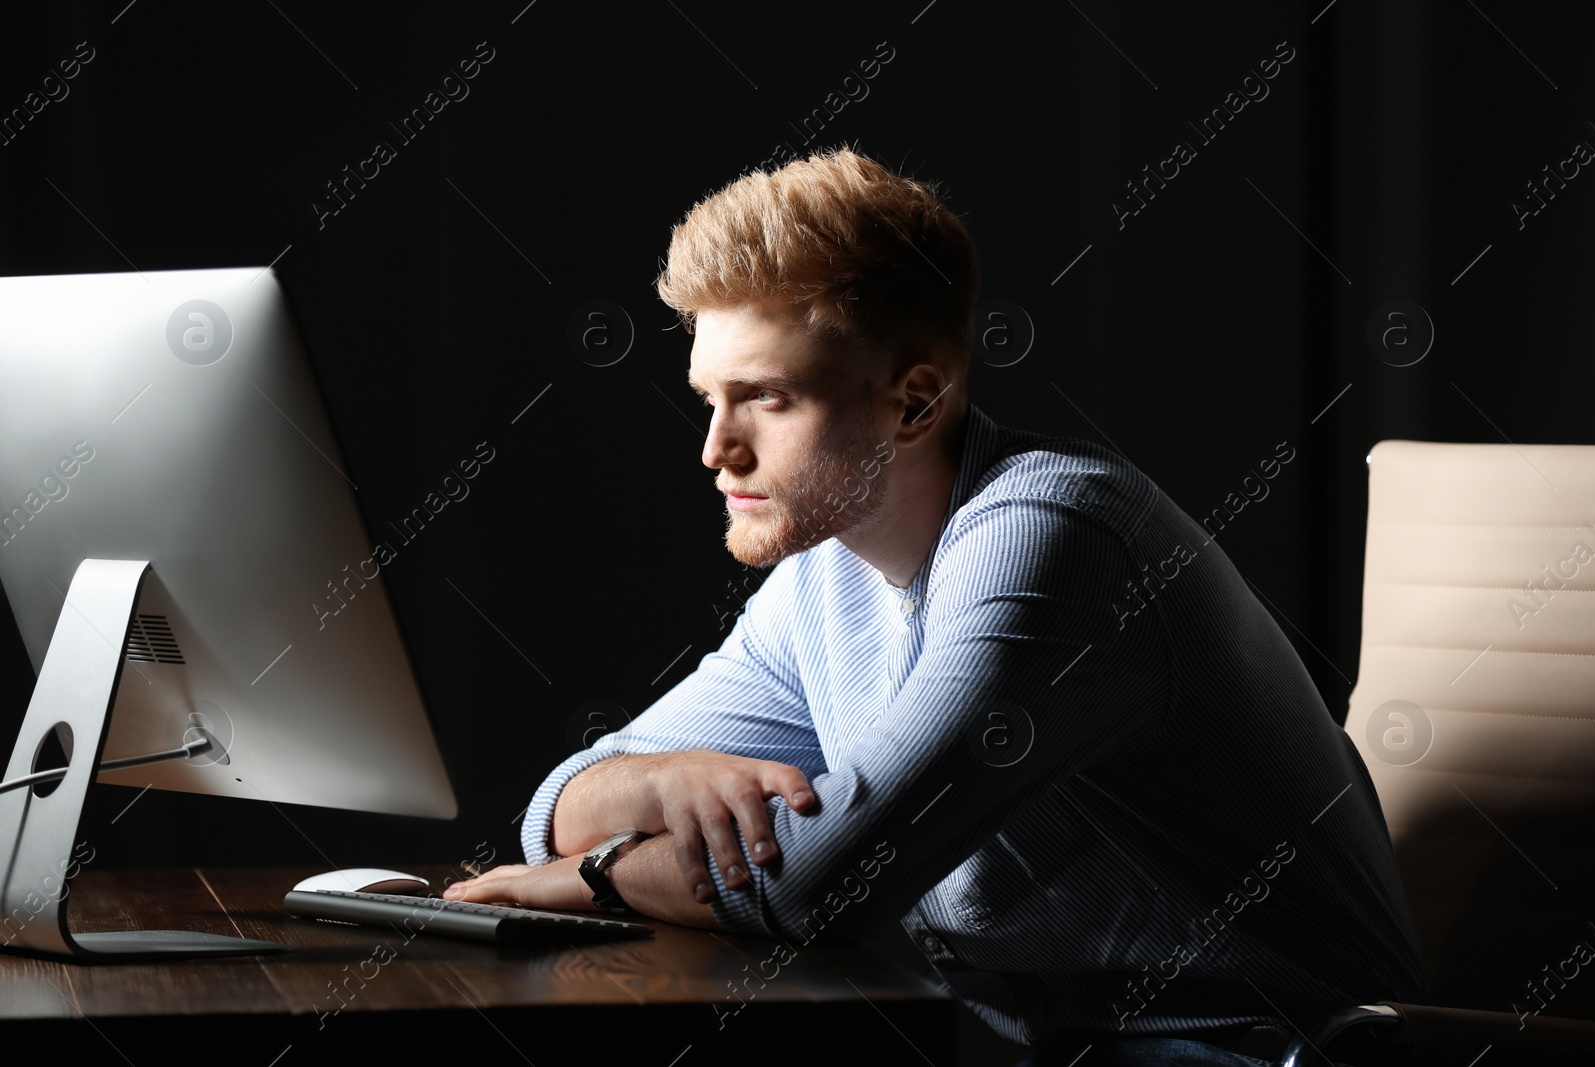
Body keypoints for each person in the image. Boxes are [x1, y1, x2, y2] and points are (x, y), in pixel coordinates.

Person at [445, 146, 1427, 1065]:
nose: (716, 447)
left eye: (768, 399)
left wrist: (594, 879)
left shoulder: (1056, 540)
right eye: (709, 396)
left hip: (1266, 1048)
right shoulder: (821, 578)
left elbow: (817, 882)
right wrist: (659, 786)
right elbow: (556, 809)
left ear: (915, 401)